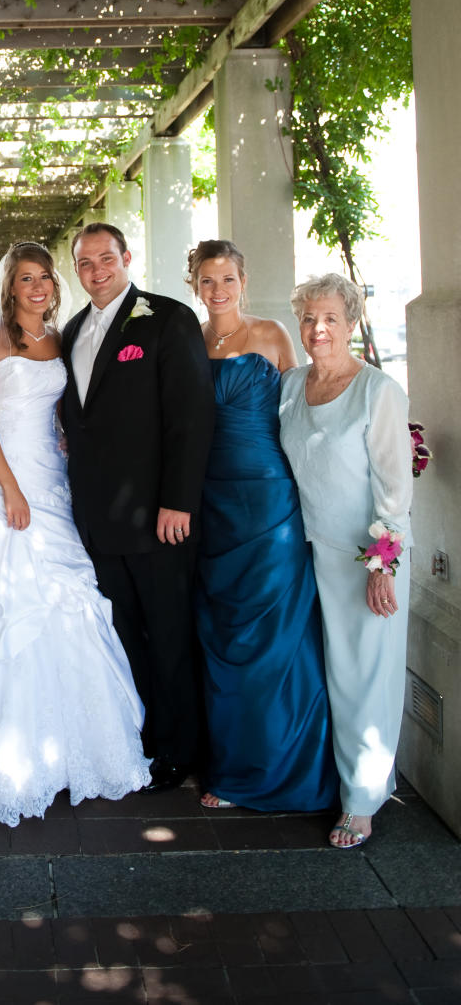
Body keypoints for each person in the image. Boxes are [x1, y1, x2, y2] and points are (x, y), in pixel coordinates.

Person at [0, 242, 150, 825]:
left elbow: (69, 406)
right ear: (9, 286)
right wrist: (12, 490)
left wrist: (68, 438)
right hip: (3, 484)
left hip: (53, 481)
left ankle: (74, 752)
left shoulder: (62, 338)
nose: (37, 287)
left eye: (45, 277)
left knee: (66, 601)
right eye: (25, 278)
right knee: (3, 606)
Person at [60, 223, 214, 792]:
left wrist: (178, 501)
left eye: (106, 259)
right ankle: (145, 740)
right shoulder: (71, 330)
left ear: (126, 258)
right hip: (96, 519)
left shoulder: (167, 319)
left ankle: (181, 749)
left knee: (169, 634)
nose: (96, 271)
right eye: (84, 263)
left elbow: (191, 416)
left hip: (158, 517)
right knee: (124, 634)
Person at [186, 240, 337, 813]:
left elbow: (305, 410)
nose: (218, 289)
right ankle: (231, 768)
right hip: (209, 500)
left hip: (269, 496)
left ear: (243, 281)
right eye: (207, 280)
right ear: (194, 286)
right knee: (222, 632)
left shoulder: (273, 334)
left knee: (275, 631)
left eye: (227, 278)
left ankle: (289, 767)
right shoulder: (189, 341)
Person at [280, 272, 412, 850]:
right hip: (307, 552)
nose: (318, 329)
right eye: (309, 318)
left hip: (364, 560)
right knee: (323, 677)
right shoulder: (288, 386)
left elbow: (394, 488)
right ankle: (319, 781)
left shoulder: (378, 390)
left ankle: (362, 803)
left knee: (364, 679)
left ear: (352, 322)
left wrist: (382, 564)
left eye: (331, 317)